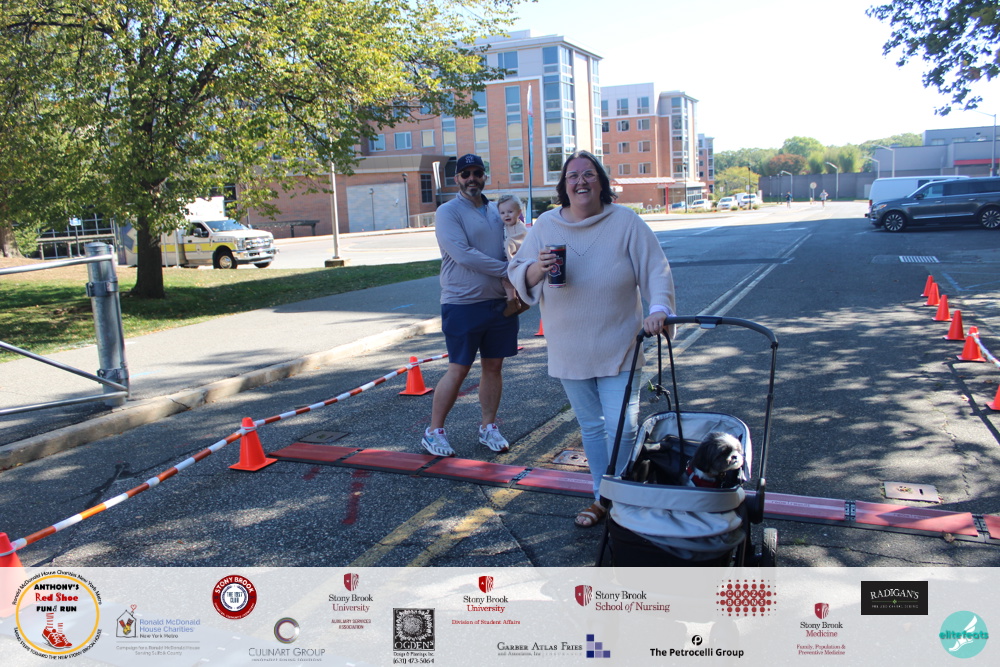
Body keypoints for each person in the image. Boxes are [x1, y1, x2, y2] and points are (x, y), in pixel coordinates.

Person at [508, 150, 675, 528]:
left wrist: (658, 309)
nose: (580, 181)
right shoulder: (547, 224)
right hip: (570, 347)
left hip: (619, 343)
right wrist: (538, 268)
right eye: (573, 176)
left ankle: (625, 496)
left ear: (601, 182)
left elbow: (656, 269)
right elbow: (519, 273)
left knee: (624, 427)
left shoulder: (626, 221)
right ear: (564, 186)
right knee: (593, 427)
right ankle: (602, 498)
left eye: (588, 174)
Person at [422, 153, 519, 457]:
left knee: (494, 366)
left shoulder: (495, 210)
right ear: (457, 179)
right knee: (459, 368)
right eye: (466, 174)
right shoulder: (447, 212)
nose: (472, 178)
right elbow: (463, 254)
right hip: (463, 303)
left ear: (484, 176)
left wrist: (520, 267)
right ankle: (433, 432)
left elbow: (513, 242)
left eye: (477, 172)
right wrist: (508, 271)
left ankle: (488, 427)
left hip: (499, 303)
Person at [497, 194, 529, 317]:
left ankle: (513, 302)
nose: (506, 215)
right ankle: (519, 301)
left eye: (510, 212)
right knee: (508, 281)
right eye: (502, 213)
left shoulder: (520, 227)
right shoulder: (506, 226)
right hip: (511, 259)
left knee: (508, 279)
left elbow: (519, 240)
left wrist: (510, 244)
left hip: (518, 260)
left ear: (518, 212)